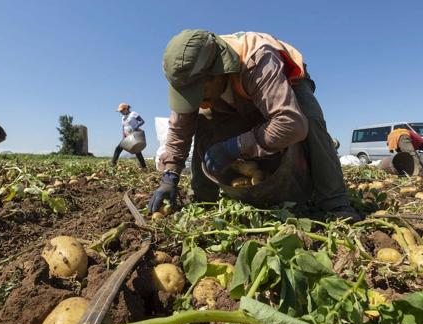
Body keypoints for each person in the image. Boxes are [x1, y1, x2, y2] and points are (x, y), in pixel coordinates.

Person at [148, 30, 358, 221]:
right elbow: (179, 129)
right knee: (204, 120)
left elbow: (290, 123)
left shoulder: (257, 61)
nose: (193, 99)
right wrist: (170, 175)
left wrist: (236, 146)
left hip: (283, 81)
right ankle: (204, 198)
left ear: (216, 74)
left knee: (309, 120)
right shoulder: (189, 76)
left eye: (197, 92)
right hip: (237, 88)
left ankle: (335, 202)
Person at [112, 103, 147, 169]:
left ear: (126, 109)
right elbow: (123, 127)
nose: (121, 112)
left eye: (122, 111)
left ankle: (144, 167)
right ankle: (113, 165)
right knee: (118, 149)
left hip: (134, 136)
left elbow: (142, 121)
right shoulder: (123, 118)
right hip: (127, 137)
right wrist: (123, 138)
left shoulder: (133, 114)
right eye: (120, 111)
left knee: (137, 151)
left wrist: (136, 127)